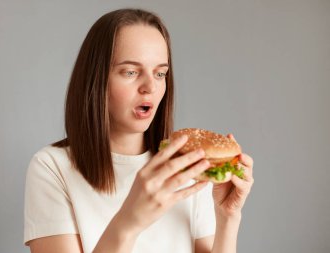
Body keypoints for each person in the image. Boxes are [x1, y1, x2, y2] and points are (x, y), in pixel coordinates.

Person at [23, 8, 254, 253]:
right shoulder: (51, 167)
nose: (150, 87)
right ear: (96, 79)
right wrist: (129, 222)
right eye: (131, 72)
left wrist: (228, 217)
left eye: (160, 73)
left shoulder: (188, 166)